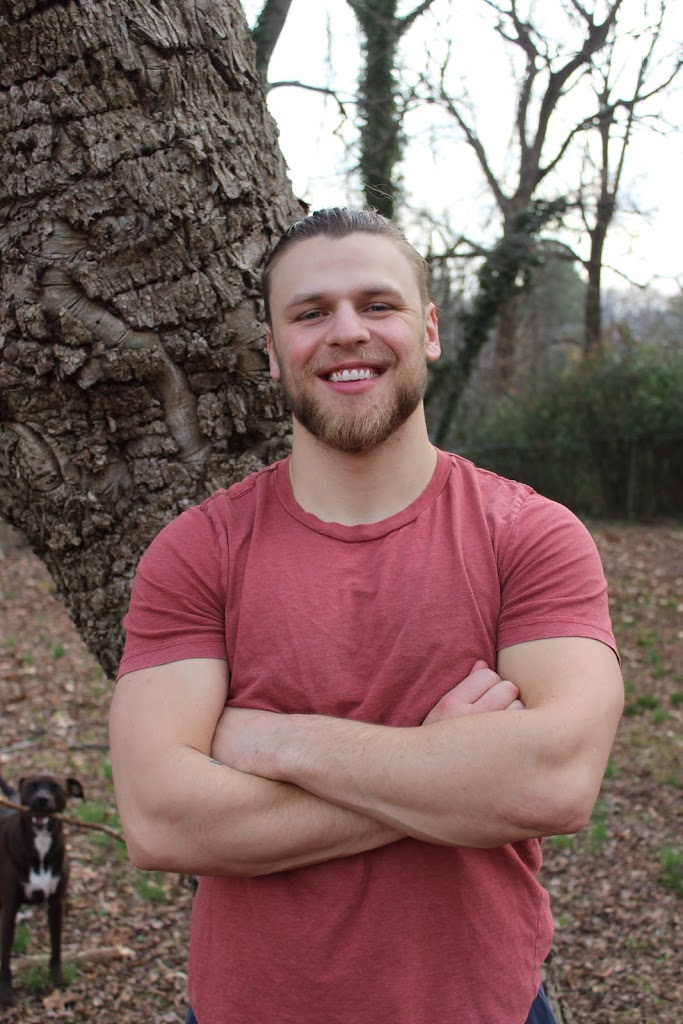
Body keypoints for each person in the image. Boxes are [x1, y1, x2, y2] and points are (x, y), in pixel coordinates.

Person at [109, 208, 624, 1024]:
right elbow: (161, 822)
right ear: (272, 352)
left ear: (428, 330)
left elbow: (553, 783)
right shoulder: (198, 552)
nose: (347, 331)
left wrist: (276, 743)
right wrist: (448, 773)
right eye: (311, 313)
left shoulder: (529, 536)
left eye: (377, 305)